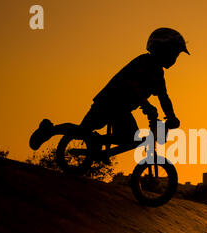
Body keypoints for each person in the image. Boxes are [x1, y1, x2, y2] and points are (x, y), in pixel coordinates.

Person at [30, 27, 189, 151]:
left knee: (128, 138)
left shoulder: (158, 74)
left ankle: (96, 141)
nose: (174, 59)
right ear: (163, 50)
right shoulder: (144, 62)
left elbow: (163, 97)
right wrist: (145, 104)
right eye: (174, 54)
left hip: (121, 110)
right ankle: (49, 130)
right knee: (83, 131)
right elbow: (129, 83)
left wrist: (171, 116)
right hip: (108, 103)